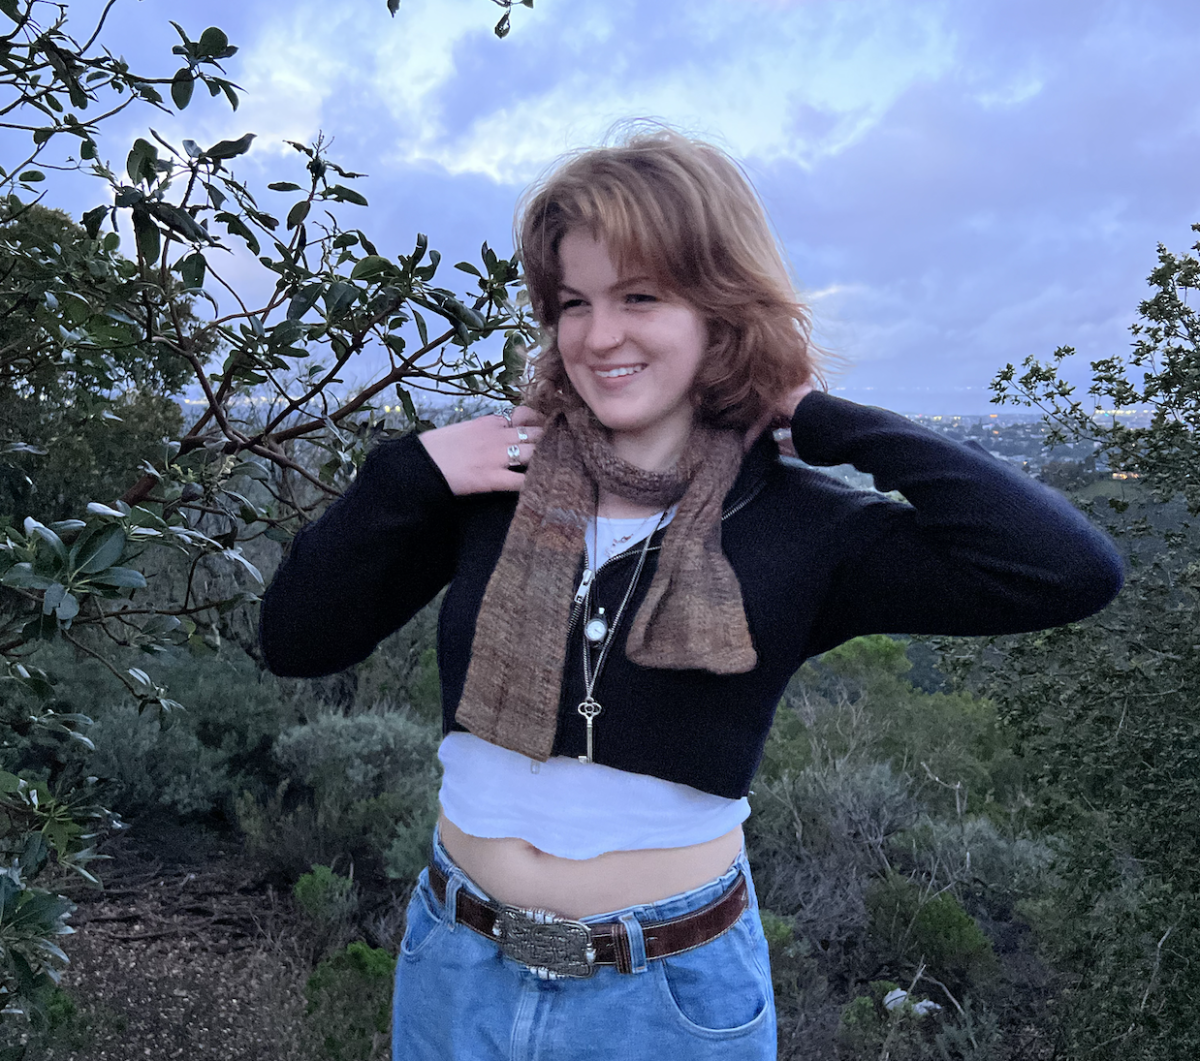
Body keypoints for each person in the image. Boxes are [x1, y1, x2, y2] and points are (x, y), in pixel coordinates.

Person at [259, 129, 1123, 1060]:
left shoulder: (803, 524)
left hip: (666, 997)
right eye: (573, 303)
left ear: (722, 306)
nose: (599, 336)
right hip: (456, 965)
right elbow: (298, 640)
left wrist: (824, 419)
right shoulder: (492, 485)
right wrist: (409, 473)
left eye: (640, 296)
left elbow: (1066, 568)